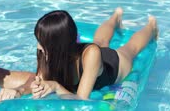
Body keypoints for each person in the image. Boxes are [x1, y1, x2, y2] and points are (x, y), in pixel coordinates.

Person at [30, 7, 158, 100]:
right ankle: (115, 17)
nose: (39, 47)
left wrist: (56, 87)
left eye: (43, 42)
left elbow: (81, 99)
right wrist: (37, 85)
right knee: (100, 41)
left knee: (131, 48)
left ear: (57, 46)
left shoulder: (91, 54)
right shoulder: (44, 51)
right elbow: (40, 80)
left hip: (114, 66)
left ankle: (151, 27)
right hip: (90, 60)